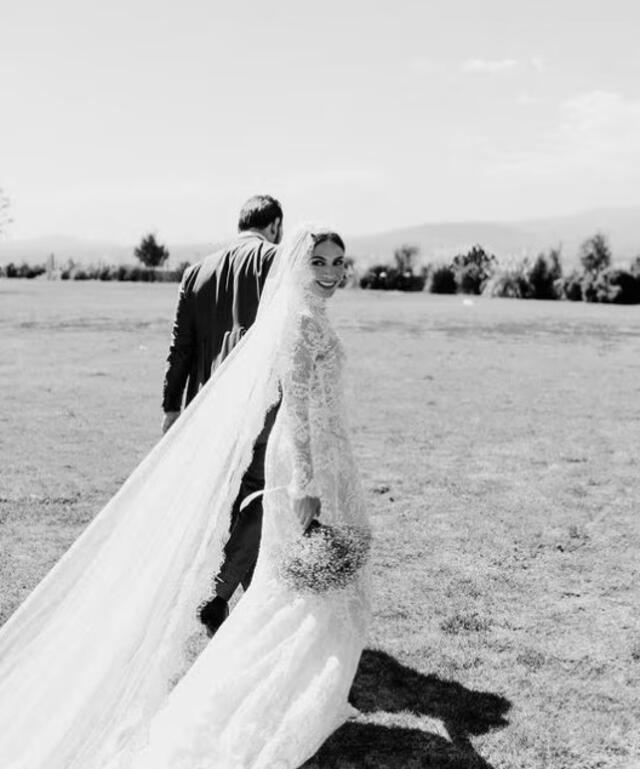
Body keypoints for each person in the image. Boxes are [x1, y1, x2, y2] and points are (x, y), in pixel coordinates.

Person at [0, 223, 371, 769]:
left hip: (332, 459)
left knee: (308, 583)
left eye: (340, 263)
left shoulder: (314, 317)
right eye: (320, 262)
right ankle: (273, 694)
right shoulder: (296, 323)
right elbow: (294, 408)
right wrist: (307, 485)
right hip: (309, 467)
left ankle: (308, 688)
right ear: (296, 265)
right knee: (299, 586)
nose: (333, 273)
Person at [162, 194, 284, 636]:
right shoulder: (277, 260)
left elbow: (181, 348)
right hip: (262, 405)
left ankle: (252, 607)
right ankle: (215, 594)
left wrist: (171, 408)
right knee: (259, 496)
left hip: (206, 411)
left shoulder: (197, 272)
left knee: (233, 505)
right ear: (274, 225)